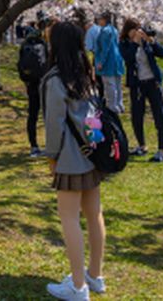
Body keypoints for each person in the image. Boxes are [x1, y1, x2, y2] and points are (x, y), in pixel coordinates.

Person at [41, 21, 106, 301]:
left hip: (69, 156)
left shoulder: (55, 79)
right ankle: (95, 275)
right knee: (94, 214)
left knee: (69, 218)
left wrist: (52, 156)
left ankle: (78, 287)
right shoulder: (87, 74)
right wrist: (96, 147)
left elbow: (54, 123)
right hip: (91, 153)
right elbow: (95, 118)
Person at [120, 20, 163, 162]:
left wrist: (151, 41)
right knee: (137, 115)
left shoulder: (147, 42)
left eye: (139, 29)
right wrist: (135, 43)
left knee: (159, 114)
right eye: (134, 29)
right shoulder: (124, 44)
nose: (138, 32)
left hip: (153, 83)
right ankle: (142, 146)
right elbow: (128, 59)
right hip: (137, 84)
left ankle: (161, 150)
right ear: (128, 31)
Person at [18, 28, 49, 157]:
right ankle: (51, 145)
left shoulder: (24, 46)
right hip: (43, 83)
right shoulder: (43, 45)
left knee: (32, 116)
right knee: (48, 116)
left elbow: (20, 66)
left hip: (31, 85)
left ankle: (34, 146)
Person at [93, 13, 125, 114]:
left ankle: (112, 105)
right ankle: (119, 104)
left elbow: (104, 49)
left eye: (99, 19)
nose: (98, 21)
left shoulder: (104, 31)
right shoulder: (114, 30)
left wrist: (100, 62)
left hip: (108, 61)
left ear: (104, 19)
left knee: (109, 84)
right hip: (116, 59)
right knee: (117, 84)